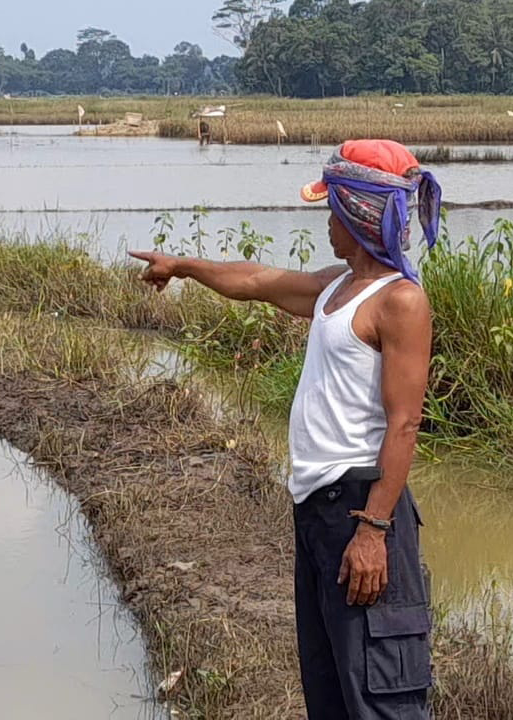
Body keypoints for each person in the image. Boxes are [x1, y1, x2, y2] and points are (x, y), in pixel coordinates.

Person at [130, 139, 442, 719]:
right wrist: (185, 266)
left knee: (381, 695)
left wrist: (373, 531)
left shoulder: (399, 301)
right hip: (318, 512)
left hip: (362, 506)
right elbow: (257, 280)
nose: (326, 222)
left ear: (359, 212)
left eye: (333, 211)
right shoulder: (336, 288)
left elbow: (404, 424)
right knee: (330, 689)